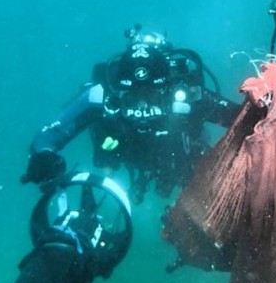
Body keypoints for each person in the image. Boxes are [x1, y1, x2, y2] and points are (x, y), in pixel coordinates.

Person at [21, 25, 241, 204]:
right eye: (134, 96)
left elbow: (241, 119)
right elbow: (48, 135)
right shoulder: (103, 95)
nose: (143, 108)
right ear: (119, 89)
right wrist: (43, 156)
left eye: (151, 96)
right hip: (131, 157)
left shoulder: (186, 96)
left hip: (182, 162)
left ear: (167, 88)